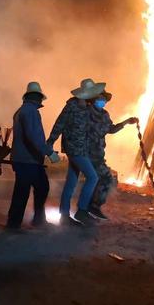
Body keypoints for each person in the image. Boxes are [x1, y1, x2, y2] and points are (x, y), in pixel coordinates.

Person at [47, 78, 101, 226]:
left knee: (71, 181)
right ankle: (81, 211)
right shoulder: (71, 106)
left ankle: (64, 215)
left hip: (81, 148)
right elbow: (59, 124)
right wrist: (50, 143)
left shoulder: (88, 108)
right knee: (93, 177)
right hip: (75, 149)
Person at [6, 81, 60, 230]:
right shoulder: (30, 112)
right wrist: (48, 152)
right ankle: (17, 224)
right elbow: (33, 136)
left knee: (35, 188)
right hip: (28, 160)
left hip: (24, 159)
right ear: (37, 97)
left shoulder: (22, 111)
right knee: (31, 189)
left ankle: (30, 220)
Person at [86, 89, 137, 220]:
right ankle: (93, 206)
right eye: (100, 99)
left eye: (104, 99)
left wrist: (126, 122)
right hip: (87, 152)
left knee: (96, 179)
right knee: (105, 178)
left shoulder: (104, 115)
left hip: (98, 153)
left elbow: (111, 129)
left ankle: (88, 207)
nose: (103, 101)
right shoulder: (86, 113)